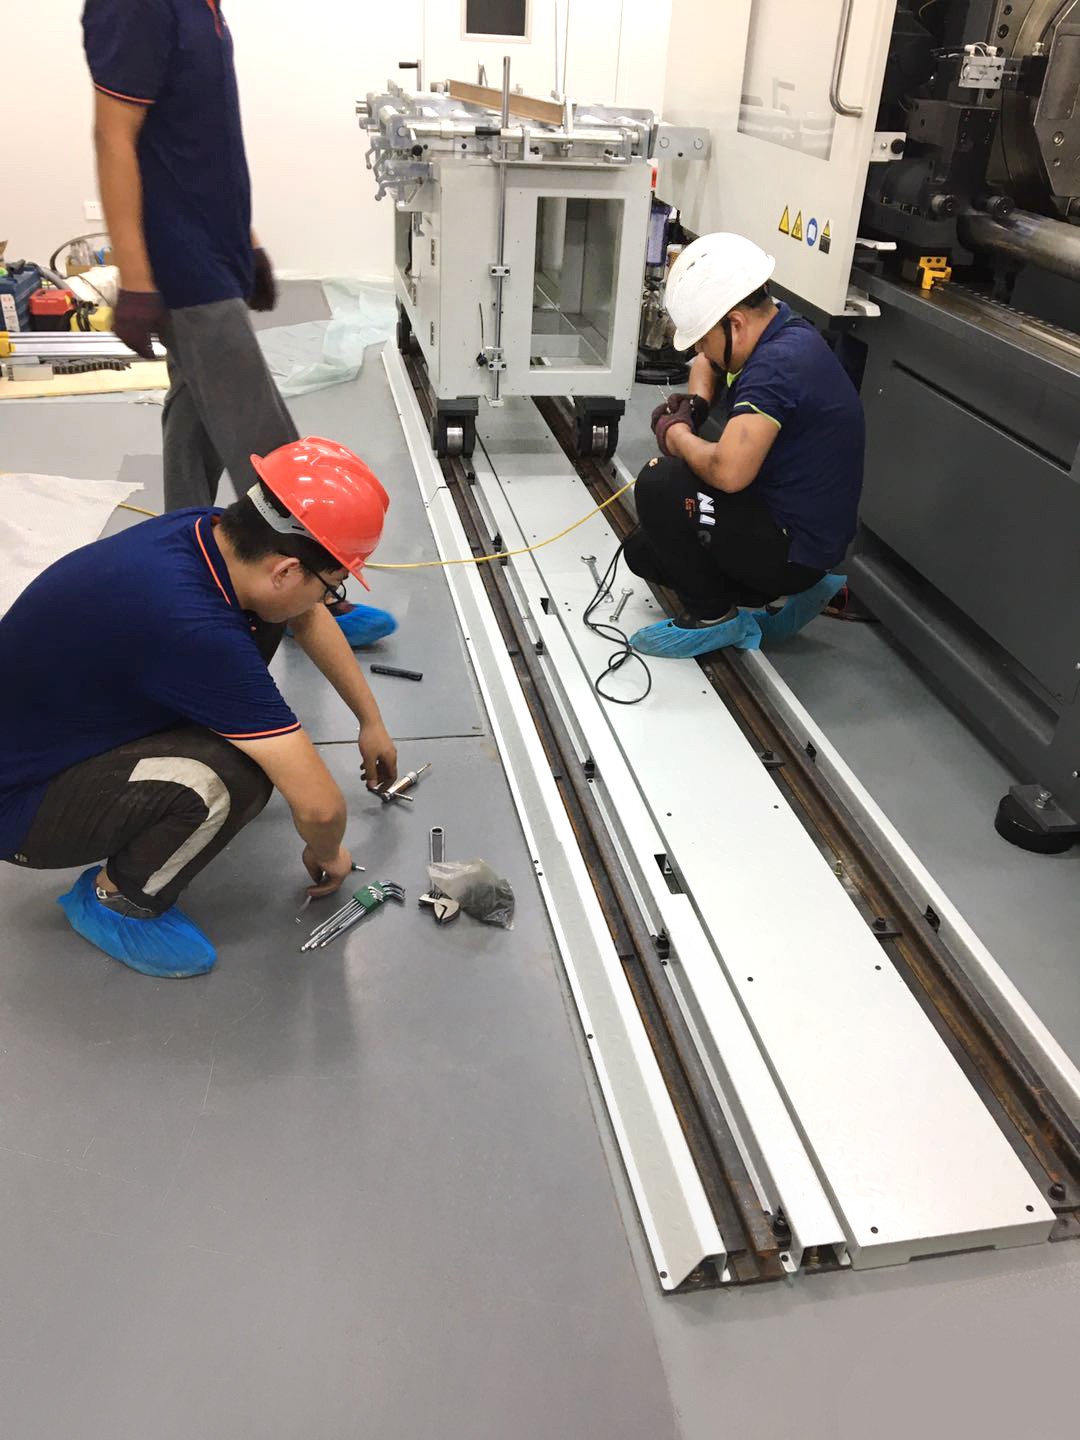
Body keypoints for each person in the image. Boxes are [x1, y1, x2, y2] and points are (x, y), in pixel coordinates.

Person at [0, 436, 399, 979]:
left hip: (53, 728)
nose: (330, 599)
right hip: (19, 804)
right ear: (286, 570)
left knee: (263, 624)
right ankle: (117, 900)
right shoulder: (193, 628)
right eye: (332, 586)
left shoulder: (208, 531)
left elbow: (301, 612)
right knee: (234, 776)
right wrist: (329, 853)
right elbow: (321, 808)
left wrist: (370, 721)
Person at [82, 0, 395, 649]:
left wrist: (244, 242)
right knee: (268, 446)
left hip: (212, 250)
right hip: (181, 261)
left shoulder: (204, 6)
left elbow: (208, 142)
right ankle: (308, 600)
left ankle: (181, 574)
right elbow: (113, 136)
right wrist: (136, 277)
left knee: (192, 423)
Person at [625, 232, 865, 659]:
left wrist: (676, 435)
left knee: (660, 482)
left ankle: (714, 617)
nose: (700, 350)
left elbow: (728, 472)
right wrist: (696, 405)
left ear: (734, 323)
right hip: (800, 528)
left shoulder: (776, 367)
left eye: (703, 338)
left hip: (794, 549)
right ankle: (775, 596)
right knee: (643, 551)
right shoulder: (778, 327)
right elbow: (708, 362)